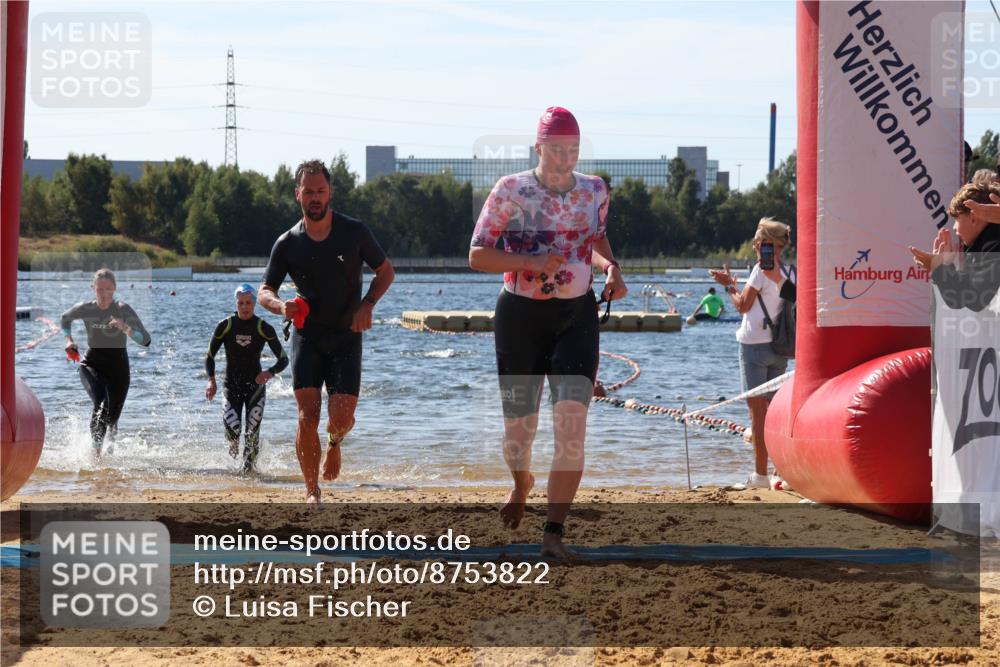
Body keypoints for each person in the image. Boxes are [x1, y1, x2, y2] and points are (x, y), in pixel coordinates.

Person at [469, 106, 627, 560]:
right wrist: (531, 262)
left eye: (572, 149)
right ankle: (522, 482)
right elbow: (478, 254)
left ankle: (553, 534)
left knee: (572, 428)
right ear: (538, 148)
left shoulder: (595, 190)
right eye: (556, 149)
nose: (565, 158)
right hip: (520, 318)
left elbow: (596, 241)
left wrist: (611, 267)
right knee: (519, 435)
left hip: (576, 318)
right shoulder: (511, 190)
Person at [259, 159, 395, 503]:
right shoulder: (287, 242)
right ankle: (312, 490)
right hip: (307, 336)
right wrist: (280, 306)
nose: (315, 198)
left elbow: (385, 272)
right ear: (298, 194)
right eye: (308, 192)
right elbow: (264, 291)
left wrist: (367, 305)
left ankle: (335, 443)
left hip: (347, 335)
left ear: (330, 191)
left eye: (320, 191)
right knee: (307, 417)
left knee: (340, 419)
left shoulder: (354, 232)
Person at [710, 217, 794, 490]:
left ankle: (760, 476)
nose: (756, 247)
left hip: (754, 346)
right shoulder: (791, 271)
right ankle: (780, 472)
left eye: (758, 242)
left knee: (757, 416)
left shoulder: (760, 271)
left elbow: (743, 306)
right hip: (780, 347)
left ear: (765, 244)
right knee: (776, 413)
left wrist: (729, 286)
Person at [61, 268, 151, 456]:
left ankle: (109, 452)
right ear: (93, 288)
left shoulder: (123, 309)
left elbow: (146, 340)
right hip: (91, 364)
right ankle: (96, 455)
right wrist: (68, 340)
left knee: (112, 419)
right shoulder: (86, 308)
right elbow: (65, 318)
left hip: (118, 368)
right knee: (101, 403)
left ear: (114, 289)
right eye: (99, 289)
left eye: (108, 289)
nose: (103, 294)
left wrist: (125, 328)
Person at [205, 283, 288, 474]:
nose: (244, 307)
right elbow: (209, 356)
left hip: (255, 388)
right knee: (233, 431)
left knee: (252, 435)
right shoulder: (225, 325)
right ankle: (233, 444)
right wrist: (211, 380)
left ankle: (249, 476)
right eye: (241, 303)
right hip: (231, 386)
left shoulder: (263, 327)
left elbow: (283, 359)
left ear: (254, 304)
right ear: (236, 304)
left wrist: (269, 372)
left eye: (248, 303)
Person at [910, 181, 1000, 312]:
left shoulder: (994, 244)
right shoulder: (977, 248)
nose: (954, 228)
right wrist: (944, 267)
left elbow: (975, 299)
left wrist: (939, 268)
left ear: (973, 218)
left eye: (956, 220)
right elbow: (960, 297)